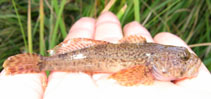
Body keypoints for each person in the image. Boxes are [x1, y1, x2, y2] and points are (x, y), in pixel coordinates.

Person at [0, 11, 210, 99]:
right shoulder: (148, 62)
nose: (190, 63)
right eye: (183, 61)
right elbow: (126, 75)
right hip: (81, 57)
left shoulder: (151, 57)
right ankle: (40, 63)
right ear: (160, 60)